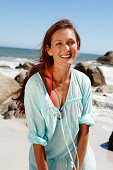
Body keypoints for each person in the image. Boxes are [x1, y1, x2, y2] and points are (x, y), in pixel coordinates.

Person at [17, 19, 96, 170]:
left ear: (77, 46)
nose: (66, 48)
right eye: (58, 43)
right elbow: (37, 139)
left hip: (80, 162)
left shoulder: (83, 82)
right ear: (49, 50)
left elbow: (84, 130)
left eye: (70, 42)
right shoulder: (35, 85)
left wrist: (77, 168)